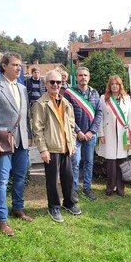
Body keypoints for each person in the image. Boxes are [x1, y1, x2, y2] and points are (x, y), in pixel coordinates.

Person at [0, 52, 33, 237]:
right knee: (2, 180)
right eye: (15, 65)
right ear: (4, 66)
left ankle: (17, 209)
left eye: (20, 65)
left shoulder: (22, 88)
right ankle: (1, 219)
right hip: (2, 141)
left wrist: (29, 135)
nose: (19, 68)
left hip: (21, 141)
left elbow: (25, 116)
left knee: (20, 177)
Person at [32, 70, 81, 222]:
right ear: (46, 84)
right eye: (52, 82)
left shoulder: (66, 103)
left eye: (58, 82)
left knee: (68, 177)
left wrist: (72, 143)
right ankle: (53, 206)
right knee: (52, 180)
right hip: (51, 148)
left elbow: (72, 126)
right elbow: (37, 129)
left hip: (66, 147)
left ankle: (68, 202)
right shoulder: (41, 103)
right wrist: (43, 149)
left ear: (62, 84)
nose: (55, 85)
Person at [64, 67, 102, 201]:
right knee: (75, 161)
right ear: (76, 77)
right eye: (80, 75)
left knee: (89, 162)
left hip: (91, 135)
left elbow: (99, 113)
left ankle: (87, 187)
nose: (83, 77)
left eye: (85, 75)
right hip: (76, 135)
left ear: (89, 77)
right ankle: (74, 189)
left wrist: (92, 131)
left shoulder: (95, 93)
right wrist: (78, 131)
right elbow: (66, 114)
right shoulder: (69, 93)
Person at [97, 75, 131, 196]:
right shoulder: (103, 98)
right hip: (109, 133)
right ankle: (110, 186)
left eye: (117, 84)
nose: (114, 86)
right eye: (112, 84)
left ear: (120, 85)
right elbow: (100, 117)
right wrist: (100, 134)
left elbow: (130, 117)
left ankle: (120, 187)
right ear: (109, 85)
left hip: (123, 133)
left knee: (122, 161)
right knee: (111, 162)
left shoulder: (126, 98)